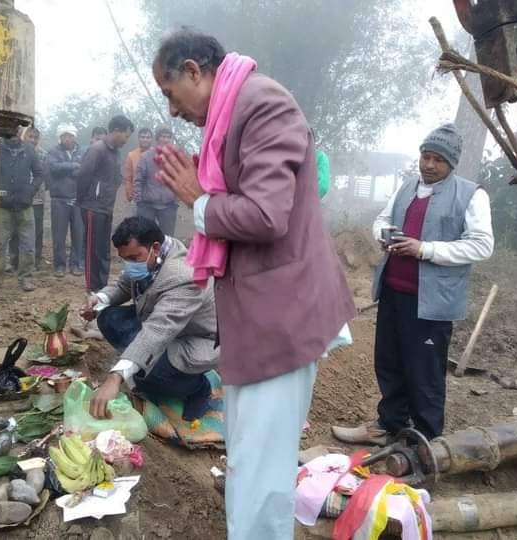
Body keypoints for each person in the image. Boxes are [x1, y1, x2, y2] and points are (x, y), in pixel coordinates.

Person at [152, 29, 355, 539]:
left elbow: (266, 214)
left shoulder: (262, 104)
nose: (172, 109)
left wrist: (200, 200)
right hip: (260, 314)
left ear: (194, 71)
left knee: (261, 468)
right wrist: (206, 188)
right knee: (249, 455)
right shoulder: (233, 109)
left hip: (281, 315)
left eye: (171, 94)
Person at [332, 124, 494, 445]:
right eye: (425, 156)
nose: (429, 165)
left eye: (438, 160)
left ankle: (424, 440)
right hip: (393, 291)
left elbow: (481, 245)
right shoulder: (407, 187)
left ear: (452, 163)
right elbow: (382, 219)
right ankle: (388, 425)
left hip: (432, 301)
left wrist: (425, 249)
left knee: (425, 373)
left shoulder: (470, 195)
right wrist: (385, 235)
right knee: (389, 362)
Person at [81, 216, 218, 421]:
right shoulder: (150, 255)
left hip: (196, 339)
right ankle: (137, 363)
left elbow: (157, 331)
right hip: (162, 324)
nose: (129, 264)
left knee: (153, 372)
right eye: (125, 258)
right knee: (108, 317)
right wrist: (99, 299)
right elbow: (123, 285)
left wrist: (115, 376)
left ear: (155, 247)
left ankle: (197, 388)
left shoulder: (185, 276)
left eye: (134, 257)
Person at [77, 115, 134, 292]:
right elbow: (83, 175)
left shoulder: (115, 152)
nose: (126, 140)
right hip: (93, 207)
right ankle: (92, 288)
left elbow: (115, 178)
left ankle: (102, 286)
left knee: (103, 250)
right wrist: (84, 200)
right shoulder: (97, 149)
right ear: (116, 131)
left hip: (106, 207)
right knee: (92, 250)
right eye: (126, 136)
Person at [0, 133, 44, 291]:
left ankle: (26, 278)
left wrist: (30, 190)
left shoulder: (29, 149)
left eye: (17, 129)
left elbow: (39, 174)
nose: (14, 133)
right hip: (2, 206)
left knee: (28, 244)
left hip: (25, 205)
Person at [46, 124, 85, 277]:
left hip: (78, 199)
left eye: (70, 136)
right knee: (59, 235)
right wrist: (73, 166)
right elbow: (53, 168)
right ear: (60, 138)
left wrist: (69, 169)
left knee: (78, 234)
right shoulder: (53, 151)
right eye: (64, 136)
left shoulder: (81, 152)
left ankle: (75, 264)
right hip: (59, 199)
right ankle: (60, 265)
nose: (67, 139)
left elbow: (84, 169)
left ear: (75, 137)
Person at [134, 126, 179, 236]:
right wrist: (139, 201)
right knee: (145, 236)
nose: (166, 139)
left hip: (168, 205)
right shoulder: (146, 157)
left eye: (168, 137)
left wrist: (176, 198)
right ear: (157, 138)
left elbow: (179, 180)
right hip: (147, 205)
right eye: (163, 136)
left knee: (167, 237)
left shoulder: (175, 158)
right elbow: (138, 180)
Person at [22, 126, 49, 270]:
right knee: (20, 230)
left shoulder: (43, 154)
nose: (33, 140)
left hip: (38, 199)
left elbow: (44, 175)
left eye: (36, 137)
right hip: (21, 198)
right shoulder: (18, 151)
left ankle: (36, 260)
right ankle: (18, 260)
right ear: (24, 136)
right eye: (30, 136)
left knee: (38, 230)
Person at [123, 127, 153, 203]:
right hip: (137, 197)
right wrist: (129, 194)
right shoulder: (131, 155)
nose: (145, 139)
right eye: (143, 137)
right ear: (139, 139)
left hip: (154, 199)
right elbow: (128, 178)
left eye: (148, 137)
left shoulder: (157, 154)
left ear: (151, 139)